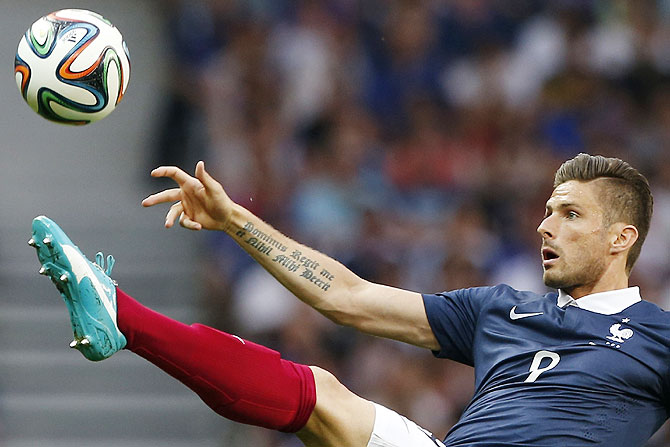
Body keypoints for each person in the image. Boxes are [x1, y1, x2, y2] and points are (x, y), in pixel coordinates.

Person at [30, 152, 667, 446]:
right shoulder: (500, 309)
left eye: (571, 215)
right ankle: (120, 316)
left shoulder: (658, 337)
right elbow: (348, 297)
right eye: (547, 210)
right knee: (323, 395)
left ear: (622, 238)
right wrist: (233, 221)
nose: (545, 227)